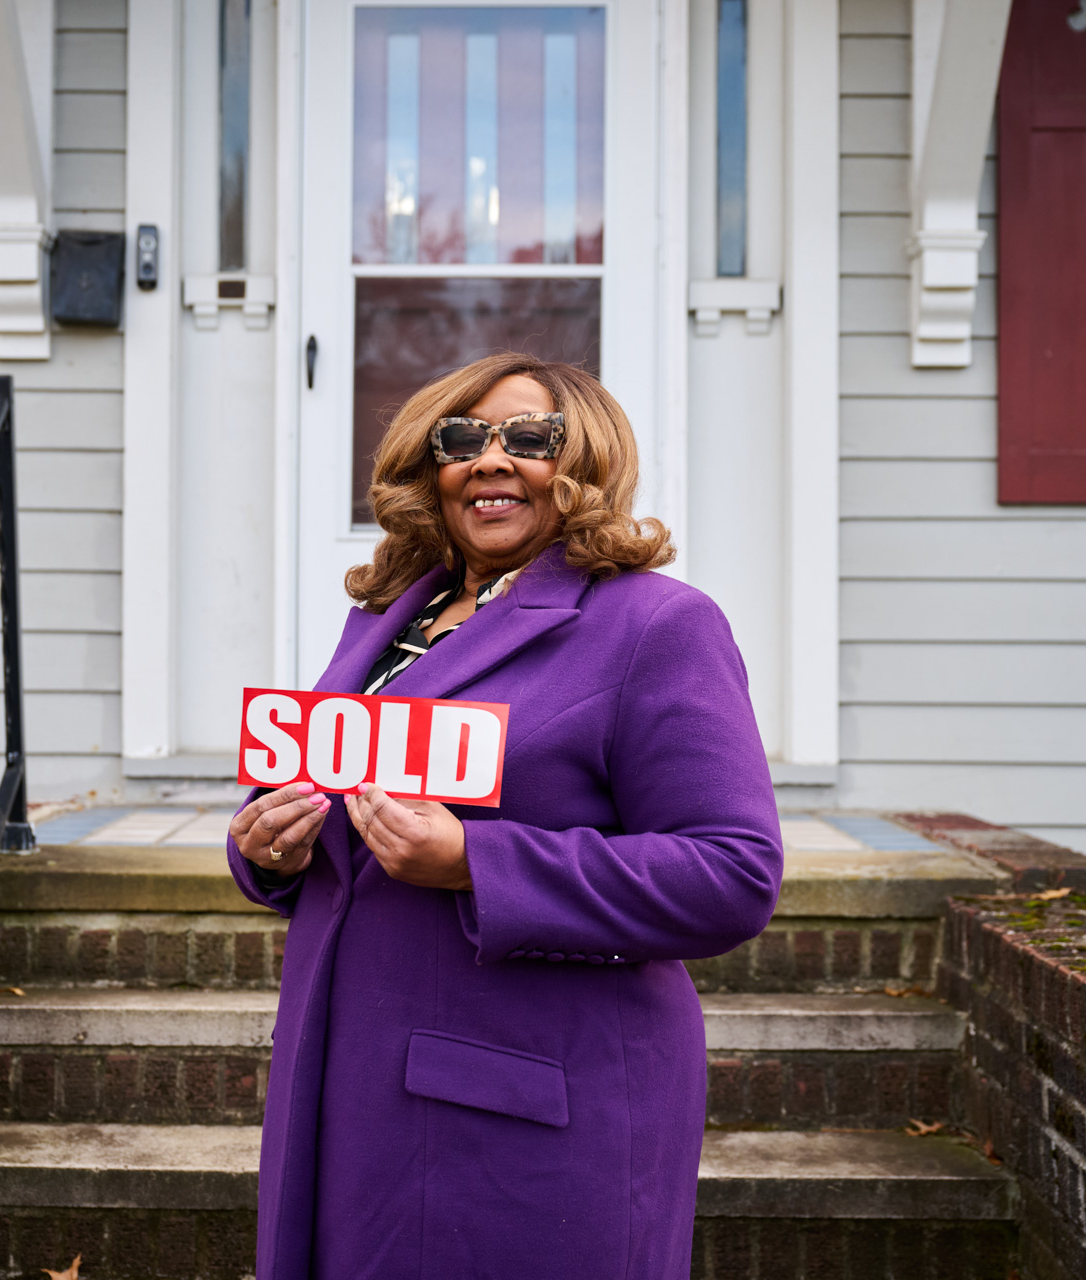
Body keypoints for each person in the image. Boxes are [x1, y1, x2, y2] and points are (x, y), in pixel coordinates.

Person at [224, 353, 783, 1279]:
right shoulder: (389, 617)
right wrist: (268, 848)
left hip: (523, 1106)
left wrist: (474, 861)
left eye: (529, 438)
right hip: (345, 1086)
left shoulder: (656, 624)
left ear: (584, 463)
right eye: (461, 439)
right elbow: (336, 799)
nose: (489, 459)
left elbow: (731, 875)